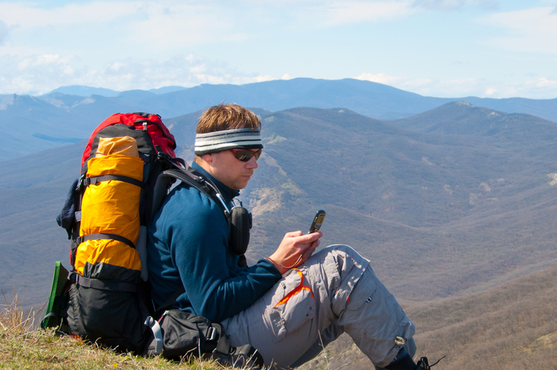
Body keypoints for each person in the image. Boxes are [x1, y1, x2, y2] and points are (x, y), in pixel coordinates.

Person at [147, 103, 431, 369]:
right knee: (341, 266)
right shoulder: (196, 212)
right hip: (209, 344)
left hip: (211, 333)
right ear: (210, 153)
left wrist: (284, 266)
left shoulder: (205, 198)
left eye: (256, 153)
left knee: (343, 298)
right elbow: (211, 304)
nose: (253, 164)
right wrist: (274, 265)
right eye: (243, 154)